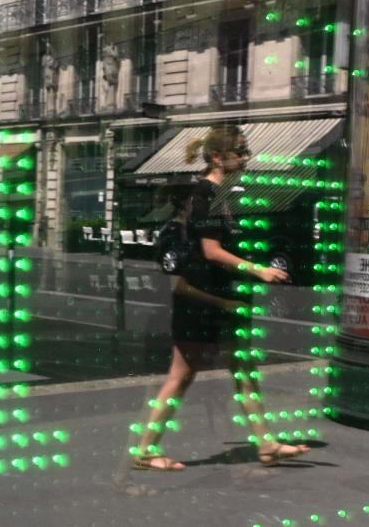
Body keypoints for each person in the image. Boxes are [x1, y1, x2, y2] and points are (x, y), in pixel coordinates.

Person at [131, 124, 309, 471]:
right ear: (217, 157)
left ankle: (267, 444)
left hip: (223, 298)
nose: (246, 157)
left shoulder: (219, 195)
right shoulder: (205, 196)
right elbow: (210, 252)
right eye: (240, 151)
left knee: (244, 372)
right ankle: (145, 450)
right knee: (181, 376)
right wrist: (257, 269)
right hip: (202, 301)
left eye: (246, 150)